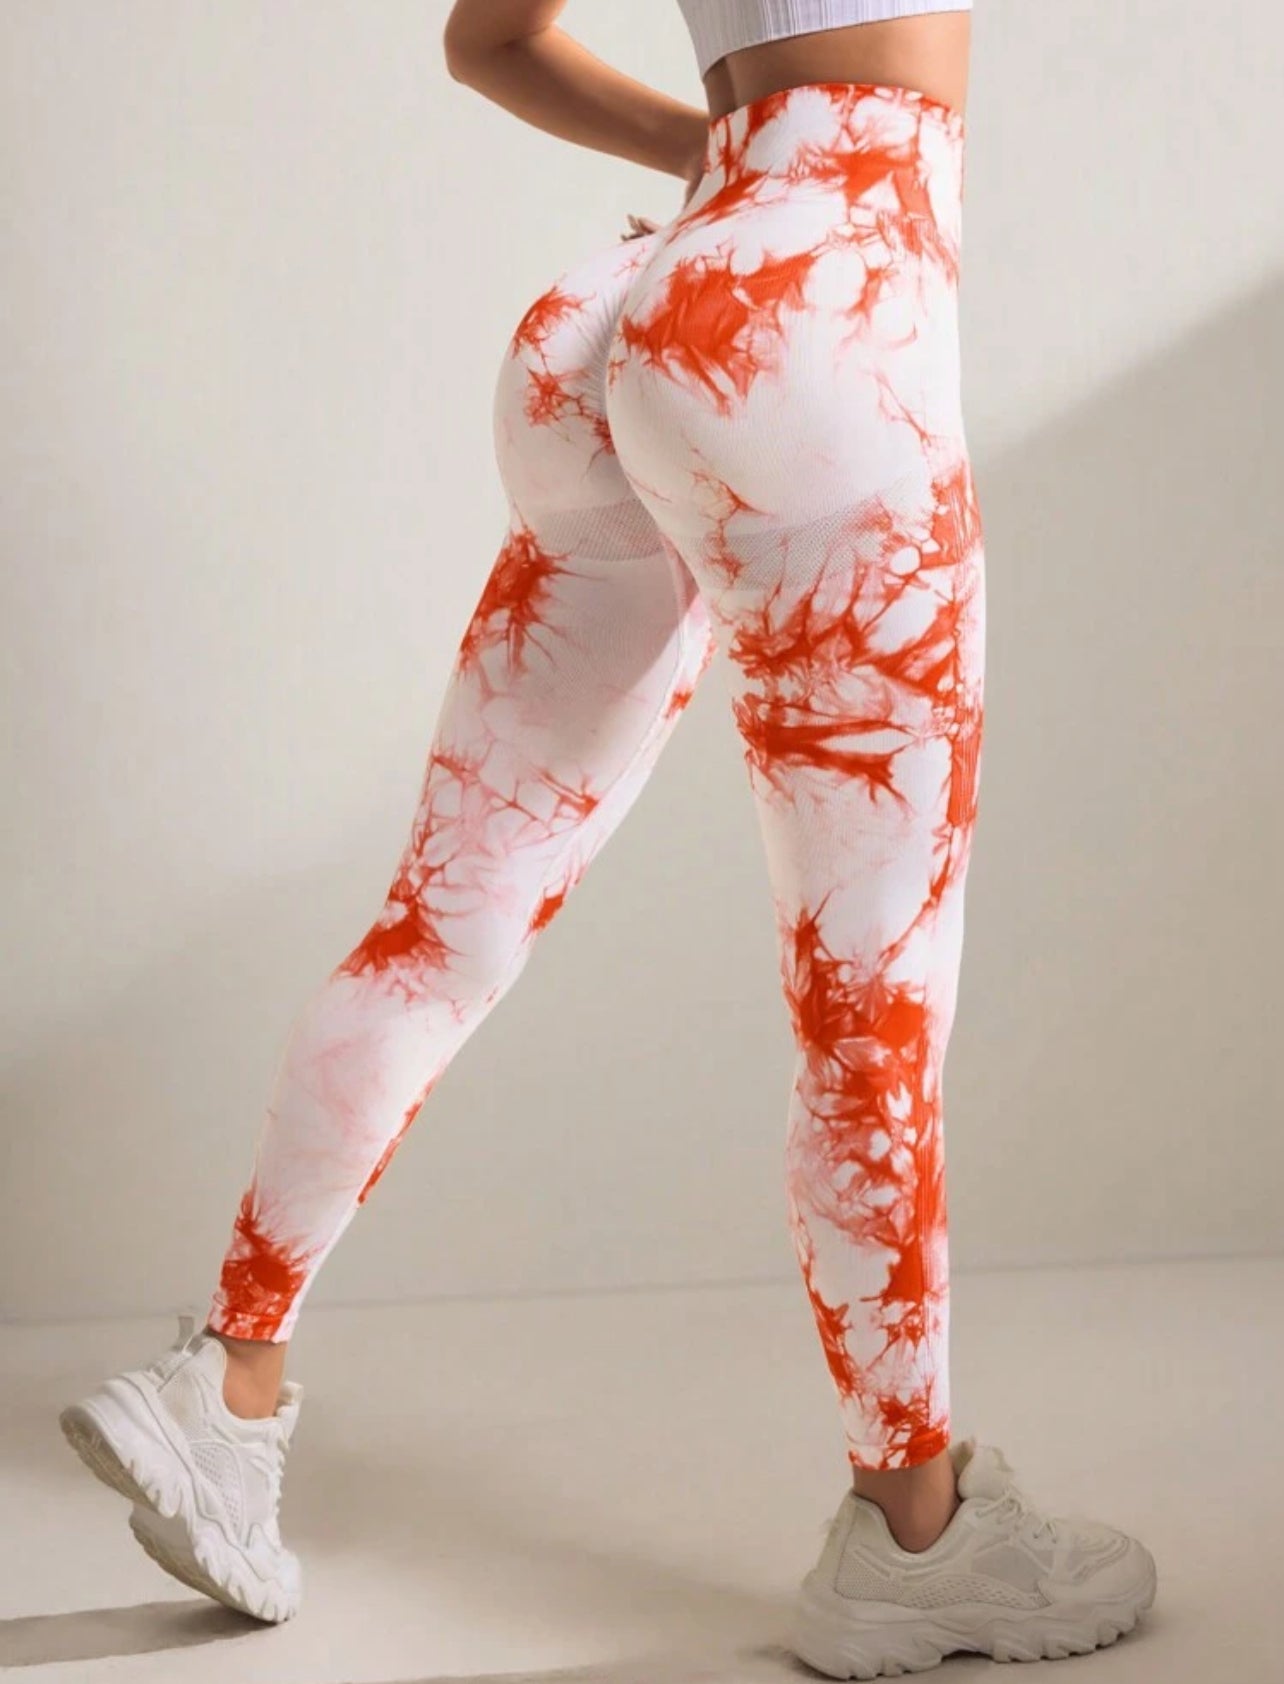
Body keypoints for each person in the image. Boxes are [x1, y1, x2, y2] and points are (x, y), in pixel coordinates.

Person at [59, 1, 1158, 1673]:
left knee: (444, 919)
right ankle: (918, 1534)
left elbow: (491, 39)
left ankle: (227, 1377)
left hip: (628, 315)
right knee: (868, 1004)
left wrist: (724, 161)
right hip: (824, 312)